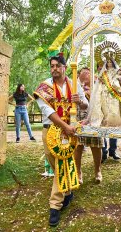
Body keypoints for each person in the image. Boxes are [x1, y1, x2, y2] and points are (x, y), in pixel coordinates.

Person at [34, 55, 88, 227]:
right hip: (50, 130)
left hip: (68, 133)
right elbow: (48, 112)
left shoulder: (74, 84)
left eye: (57, 66)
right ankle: (68, 191)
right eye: (52, 66)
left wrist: (79, 101)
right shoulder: (45, 87)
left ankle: (54, 206)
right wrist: (65, 126)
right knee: (53, 160)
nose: (54, 69)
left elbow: (86, 105)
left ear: (65, 67)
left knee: (59, 166)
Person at [75, 67, 103, 184]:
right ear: (79, 74)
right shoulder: (74, 83)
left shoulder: (97, 82)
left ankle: (98, 170)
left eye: (89, 72)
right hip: (77, 117)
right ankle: (78, 172)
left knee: (96, 144)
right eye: (84, 72)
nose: (87, 74)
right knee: (78, 145)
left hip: (93, 117)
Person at [87, 58, 121, 127]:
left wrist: (117, 80)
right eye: (108, 62)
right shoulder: (104, 73)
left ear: (113, 63)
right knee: (105, 108)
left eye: (110, 62)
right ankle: (105, 123)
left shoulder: (116, 71)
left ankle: (115, 124)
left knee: (115, 109)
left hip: (114, 91)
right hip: (105, 92)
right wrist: (102, 81)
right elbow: (101, 81)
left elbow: (118, 79)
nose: (109, 64)